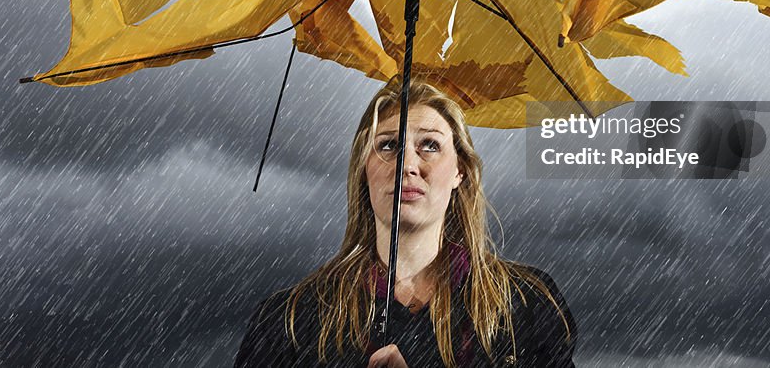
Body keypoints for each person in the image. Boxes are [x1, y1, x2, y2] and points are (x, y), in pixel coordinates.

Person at [234, 75, 576, 367]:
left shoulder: (527, 304)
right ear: (364, 171)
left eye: (429, 144)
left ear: (460, 170)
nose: (407, 164)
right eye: (388, 145)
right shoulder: (291, 320)